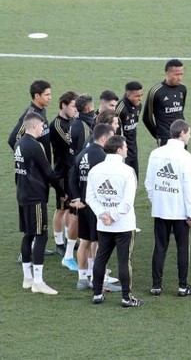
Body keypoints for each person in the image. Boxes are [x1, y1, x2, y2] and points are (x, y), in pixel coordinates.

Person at [86, 135, 143, 307]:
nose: (127, 149)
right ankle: (126, 297)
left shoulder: (95, 170)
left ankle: (97, 294)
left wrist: (102, 214)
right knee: (124, 260)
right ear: (119, 150)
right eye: (125, 147)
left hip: (103, 224)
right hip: (123, 224)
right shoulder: (127, 171)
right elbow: (127, 202)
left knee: (101, 258)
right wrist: (113, 216)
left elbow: (90, 197)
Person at [14, 112, 66, 295]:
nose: (44, 128)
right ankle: (38, 282)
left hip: (22, 195)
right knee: (41, 235)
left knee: (28, 234)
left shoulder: (19, 143)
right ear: (35, 126)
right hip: (35, 197)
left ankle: (27, 278)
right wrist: (61, 192)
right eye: (42, 126)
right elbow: (48, 172)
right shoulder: (34, 146)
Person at [145, 119, 191, 297]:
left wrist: (156, 201)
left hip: (160, 210)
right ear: (181, 133)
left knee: (160, 247)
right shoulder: (186, 158)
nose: (190, 136)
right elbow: (190, 188)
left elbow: (149, 183)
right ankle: (183, 286)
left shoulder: (156, 153)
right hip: (180, 211)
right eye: (189, 132)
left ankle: (156, 286)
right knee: (183, 248)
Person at [68, 123, 115, 290]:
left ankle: (82, 279)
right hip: (96, 205)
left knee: (84, 242)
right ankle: (98, 279)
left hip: (83, 205)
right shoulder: (101, 156)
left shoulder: (83, 153)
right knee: (98, 243)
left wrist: (77, 198)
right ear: (103, 138)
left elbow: (72, 177)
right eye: (111, 137)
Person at [50, 91, 79, 267]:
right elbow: (72, 144)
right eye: (73, 106)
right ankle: (59, 243)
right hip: (62, 172)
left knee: (70, 208)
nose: (75, 109)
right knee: (61, 208)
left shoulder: (72, 122)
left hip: (72, 172)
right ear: (63, 105)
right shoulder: (58, 125)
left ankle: (68, 239)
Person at [143, 59, 187, 146]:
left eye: (181, 74)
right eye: (176, 74)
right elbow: (146, 118)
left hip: (181, 137)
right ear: (167, 73)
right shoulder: (156, 91)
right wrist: (158, 135)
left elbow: (180, 112)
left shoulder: (183, 89)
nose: (179, 77)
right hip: (165, 138)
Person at [8, 80, 53, 164]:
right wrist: (28, 159)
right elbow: (14, 139)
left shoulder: (42, 110)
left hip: (45, 165)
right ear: (37, 95)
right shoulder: (30, 115)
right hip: (36, 169)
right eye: (46, 95)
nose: (50, 97)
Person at [115, 81, 143, 177]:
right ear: (127, 95)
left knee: (135, 179)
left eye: (141, 95)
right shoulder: (119, 109)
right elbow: (115, 133)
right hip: (122, 151)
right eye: (137, 96)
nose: (140, 99)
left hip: (133, 150)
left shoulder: (139, 106)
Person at [69, 93, 95, 158]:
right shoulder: (83, 127)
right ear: (89, 108)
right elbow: (84, 151)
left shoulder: (75, 121)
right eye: (93, 106)